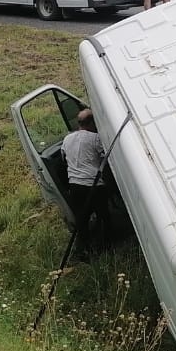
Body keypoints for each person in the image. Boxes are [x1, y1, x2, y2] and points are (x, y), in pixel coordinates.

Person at [62, 109, 110, 257]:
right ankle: (107, 245)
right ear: (91, 123)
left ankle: (84, 249)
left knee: (82, 219)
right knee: (104, 216)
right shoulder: (96, 139)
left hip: (75, 185)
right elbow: (107, 158)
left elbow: (64, 159)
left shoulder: (67, 139)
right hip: (94, 185)